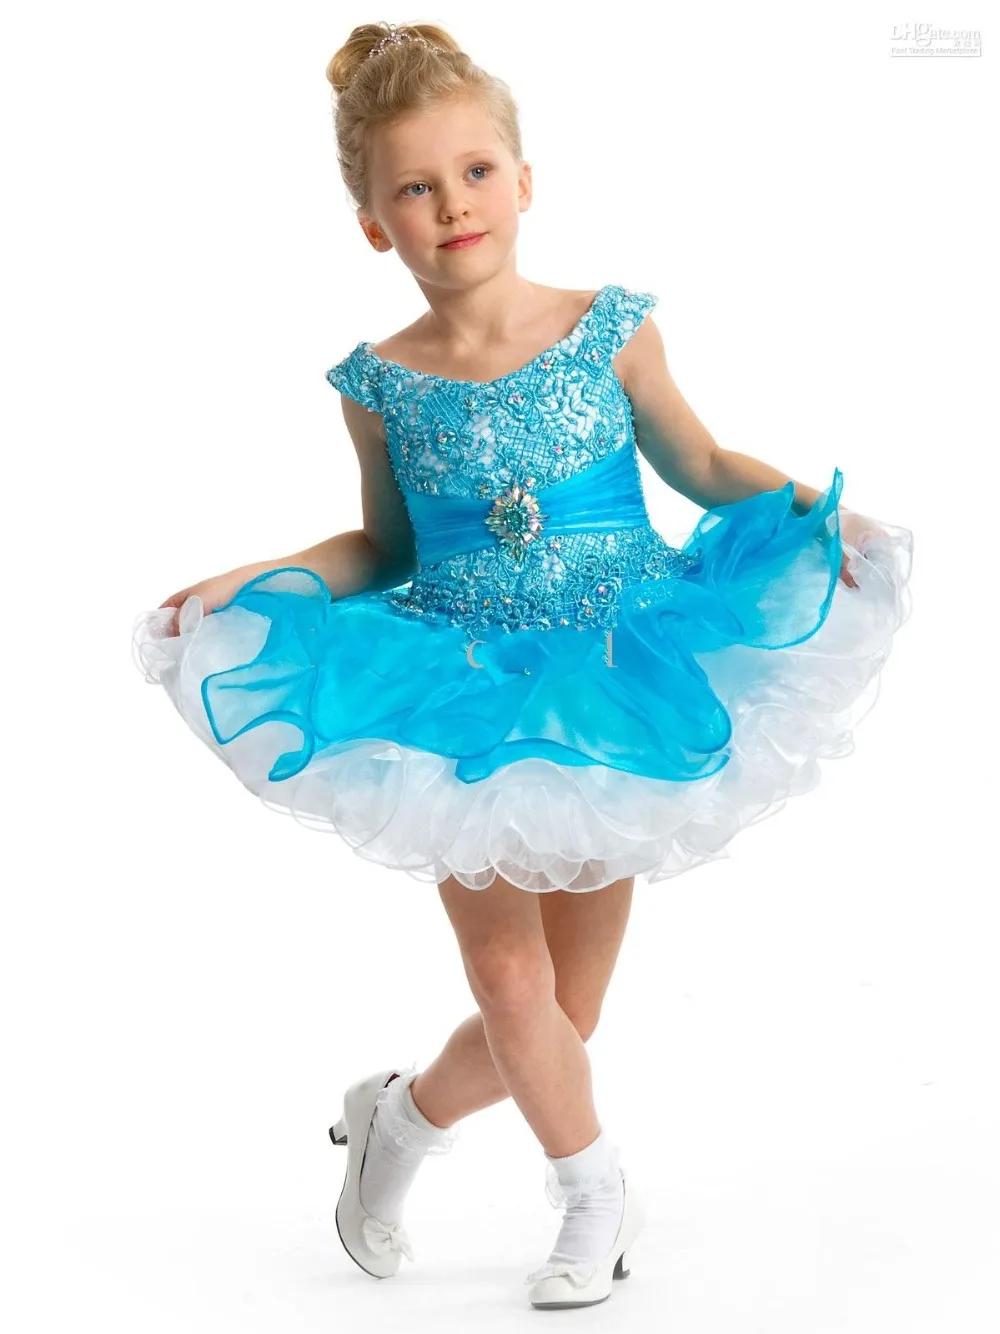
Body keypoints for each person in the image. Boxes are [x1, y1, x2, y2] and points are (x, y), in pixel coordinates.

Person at [130, 19, 914, 1310]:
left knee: (564, 1017)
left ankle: (400, 1119)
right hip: (461, 689)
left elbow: (703, 464)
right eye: (416, 187)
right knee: (508, 978)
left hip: (616, 672)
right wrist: (246, 581)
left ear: (525, 180)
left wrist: (826, 519)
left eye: (476, 171)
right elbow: (384, 547)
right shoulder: (380, 383)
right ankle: (595, 1194)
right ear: (374, 223)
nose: (453, 204)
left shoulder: (609, 330)